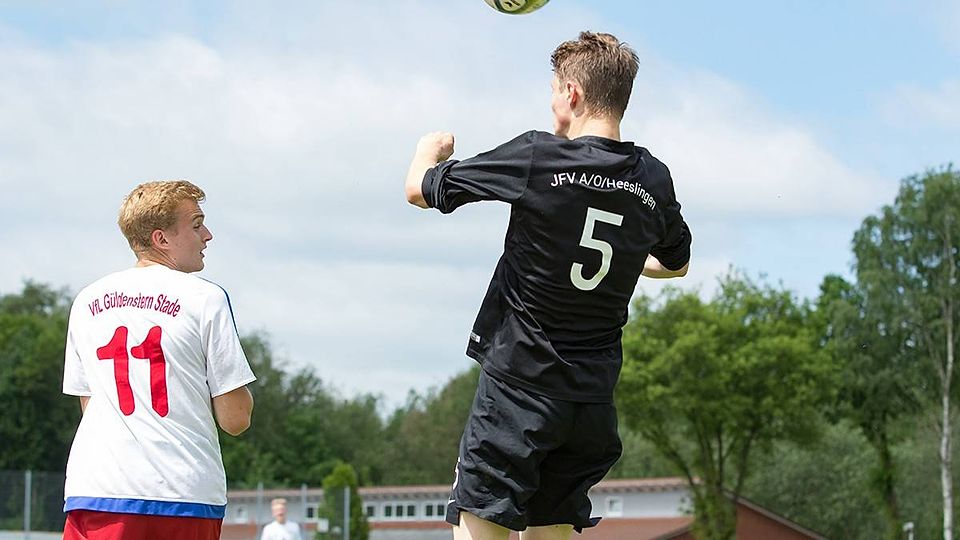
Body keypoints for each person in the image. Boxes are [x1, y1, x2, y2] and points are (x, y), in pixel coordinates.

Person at [404, 31, 691, 540]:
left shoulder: (538, 157)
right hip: (589, 403)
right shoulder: (652, 179)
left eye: (555, 91)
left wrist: (429, 151)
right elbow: (677, 264)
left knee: (479, 522)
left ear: (572, 93)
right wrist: (627, 259)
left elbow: (420, 190)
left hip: (518, 390)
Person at [61, 180, 257, 540]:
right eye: (196, 225)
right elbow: (235, 419)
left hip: (96, 490)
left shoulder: (86, 300)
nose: (208, 235)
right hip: (181, 494)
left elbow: (91, 405)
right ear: (161, 239)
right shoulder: (206, 297)